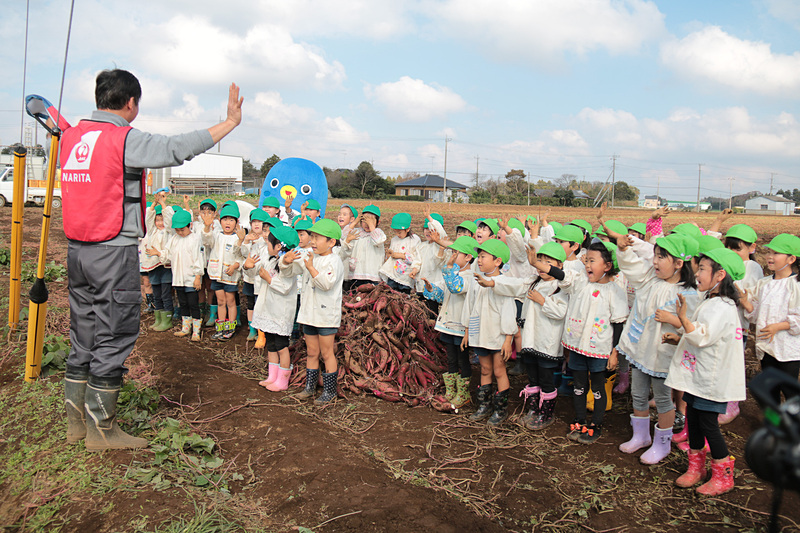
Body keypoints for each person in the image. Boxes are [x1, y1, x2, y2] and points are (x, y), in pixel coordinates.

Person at [61, 69, 242, 451]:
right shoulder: (122, 138)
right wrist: (228, 123)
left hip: (77, 251)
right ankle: (101, 430)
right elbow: (176, 148)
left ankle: (75, 422)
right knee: (114, 332)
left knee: (84, 332)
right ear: (131, 103)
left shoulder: (72, 136)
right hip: (112, 251)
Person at [664, 249, 746, 496]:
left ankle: (723, 476)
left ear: (720, 275)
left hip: (711, 380)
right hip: (698, 376)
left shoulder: (722, 306)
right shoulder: (711, 301)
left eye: (702, 269)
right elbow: (702, 333)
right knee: (694, 419)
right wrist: (679, 337)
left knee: (709, 424)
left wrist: (682, 319)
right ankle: (696, 468)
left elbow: (702, 336)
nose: (697, 273)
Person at [613, 232, 699, 464]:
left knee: (662, 399)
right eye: (655, 255)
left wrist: (674, 320)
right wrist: (623, 250)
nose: (655, 261)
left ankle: (662, 444)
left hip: (663, 356)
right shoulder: (650, 278)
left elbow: (693, 326)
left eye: (661, 257)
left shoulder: (688, 294)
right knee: (638, 393)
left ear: (679, 263)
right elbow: (632, 267)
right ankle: (640, 436)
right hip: (641, 351)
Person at [560, 242, 628, 444]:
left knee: (598, 386)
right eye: (586, 260)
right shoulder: (583, 284)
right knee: (579, 385)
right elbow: (562, 277)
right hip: (578, 347)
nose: (588, 264)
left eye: (592, 261)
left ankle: (596, 424)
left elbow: (618, 324)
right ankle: (580, 419)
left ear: (607, 266)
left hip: (600, 349)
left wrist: (614, 352)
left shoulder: (615, 291)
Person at [284, 219, 344, 404]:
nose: (313, 241)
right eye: (313, 237)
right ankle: (309, 388)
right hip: (309, 314)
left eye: (318, 238)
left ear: (331, 242)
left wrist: (310, 267)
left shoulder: (334, 261)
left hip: (326, 316)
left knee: (327, 353)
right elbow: (291, 271)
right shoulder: (311, 256)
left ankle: (330, 391)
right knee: (312, 352)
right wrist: (286, 262)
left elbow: (326, 284)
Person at [462, 239, 517, 426]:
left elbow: (509, 312)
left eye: (483, 256)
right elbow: (469, 306)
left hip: (498, 336)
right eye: (478, 256)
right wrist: (467, 331)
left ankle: (500, 409)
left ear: (497, 261)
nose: (479, 260)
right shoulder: (475, 280)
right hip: (480, 334)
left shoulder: (503, 284)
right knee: (485, 369)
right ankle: (484, 406)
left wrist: (508, 339)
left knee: (499, 370)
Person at [741, 234, 800, 404]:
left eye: (776, 253)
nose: (769, 256)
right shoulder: (764, 283)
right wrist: (746, 303)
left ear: (791, 259)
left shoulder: (796, 285)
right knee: (770, 390)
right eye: (769, 252)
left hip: (788, 350)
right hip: (766, 346)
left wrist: (778, 327)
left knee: (789, 390)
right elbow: (756, 313)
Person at [423, 236, 478, 410]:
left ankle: (464, 393)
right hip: (448, 324)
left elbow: (455, 288)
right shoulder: (453, 274)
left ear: (468, 257)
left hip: (461, 326)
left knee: (463, 359)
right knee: (451, 359)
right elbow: (442, 294)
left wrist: (448, 268)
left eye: (456, 253)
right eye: (452, 252)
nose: (453, 256)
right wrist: (431, 288)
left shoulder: (470, 278)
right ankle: (451, 391)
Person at [718, 224, 763, 424]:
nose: (732, 252)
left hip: (737, 324)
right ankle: (719, 400)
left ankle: (732, 404)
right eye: (728, 247)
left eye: (737, 248)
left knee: (732, 364)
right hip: (721, 322)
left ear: (751, 248)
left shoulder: (753, 268)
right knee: (719, 362)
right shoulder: (722, 262)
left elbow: (752, 296)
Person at [251, 225, 300, 391]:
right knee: (271, 344)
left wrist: (269, 279)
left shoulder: (289, 266)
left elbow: (285, 287)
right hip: (269, 310)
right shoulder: (271, 260)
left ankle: (282, 380)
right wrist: (249, 266)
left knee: (281, 346)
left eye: (269, 241)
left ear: (279, 246)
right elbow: (258, 270)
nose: (267, 244)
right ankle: (272, 376)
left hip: (280, 312)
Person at [150, 209, 204, 341]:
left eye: (182, 230)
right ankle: (186, 328)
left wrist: (198, 276)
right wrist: (159, 253)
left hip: (191, 278)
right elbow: (168, 254)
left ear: (190, 225)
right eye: (177, 230)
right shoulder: (174, 239)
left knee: (193, 303)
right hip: (179, 277)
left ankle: (196, 331)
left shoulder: (195, 239)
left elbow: (199, 258)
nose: (180, 232)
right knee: (183, 303)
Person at [201, 202, 245, 341]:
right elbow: (206, 240)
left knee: (230, 301)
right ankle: (220, 328)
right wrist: (207, 226)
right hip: (216, 275)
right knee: (220, 301)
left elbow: (241, 256)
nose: (228, 223)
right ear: (220, 221)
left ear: (236, 222)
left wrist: (235, 265)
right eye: (225, 219)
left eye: (231, 220)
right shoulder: (216, 235)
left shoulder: (237, 238)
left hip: (230, 276)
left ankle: (230, 327)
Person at [141, 193, 174, 331]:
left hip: (165, 266)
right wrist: (154, 204)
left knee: (166, 294)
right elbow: (148, 218)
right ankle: (158, 318)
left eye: (162, 220)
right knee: (157, 294)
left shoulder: (169, 232)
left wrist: (163, 204)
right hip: (153, 266)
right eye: (157, 220)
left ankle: (167, 320)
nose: (160, 223)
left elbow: (169, 219)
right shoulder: (152, 231)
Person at [341, 205, 386, 291]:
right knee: (355, 294)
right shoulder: (357, 232)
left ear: (378, 222)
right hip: (355, 274)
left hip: (372, 275)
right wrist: (355, 222)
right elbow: (343, 235)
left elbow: (378, 241)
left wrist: (371, 226)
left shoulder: (378, 233)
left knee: (370, 295)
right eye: (364, 221)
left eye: (371, 221)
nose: (367, 224)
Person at [240, 209, 269, 341]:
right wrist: (246, 241)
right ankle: (252, 329)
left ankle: (261, 332)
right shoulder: (249, 239)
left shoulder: (266, 241)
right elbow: (245, 255)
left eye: (260, 222)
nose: (256, 224)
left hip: (261, 279)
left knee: (261, 304)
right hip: (250, 278)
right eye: (254, 222)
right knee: (251, 303)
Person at [379, 213, 420, 294]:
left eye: (399, 232)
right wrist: (389, 254)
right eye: (395, 232)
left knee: (403, 295)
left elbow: (417, 258)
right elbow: (390, 256)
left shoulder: (414, 240)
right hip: (393, 274)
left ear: (407, 229)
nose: (397, 234)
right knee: (391, 293)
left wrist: (402, 256)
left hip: (406, 276)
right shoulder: (394, 240)